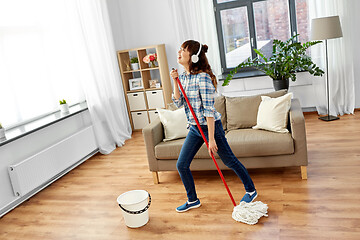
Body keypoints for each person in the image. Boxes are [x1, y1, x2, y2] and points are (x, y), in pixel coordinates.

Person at [171, 40, 257, 213]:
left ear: (193, 57)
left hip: (211, 126)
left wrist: (211, 140)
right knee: (182, 164)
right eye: (179, 49)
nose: (179, 52)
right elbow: (179, 102)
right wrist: (175, 81)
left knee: (229, 160)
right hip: (195, 128)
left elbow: (209, 111)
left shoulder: (202, 78)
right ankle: (192, 200)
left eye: (183, 50)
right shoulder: (184, 77)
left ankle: (251, 190)